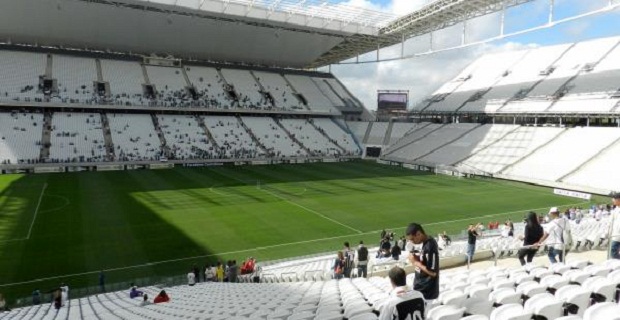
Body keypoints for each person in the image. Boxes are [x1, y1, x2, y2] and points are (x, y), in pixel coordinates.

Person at [405, 223, 439, 301]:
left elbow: (433, 273)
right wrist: (417, 258)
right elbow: (426, 261)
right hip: (421, 289)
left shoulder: (430, 246)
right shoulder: (425, 243)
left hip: (426, 293)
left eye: (413, 239)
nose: (412, 242)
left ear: (419, 234)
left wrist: (415, 262)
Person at [609, 192, 620, 259]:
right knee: (613, 253)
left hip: (618, 235)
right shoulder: (616, 209)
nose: (613, 200)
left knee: (614, 253)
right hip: (615, 235)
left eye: (614, 199)